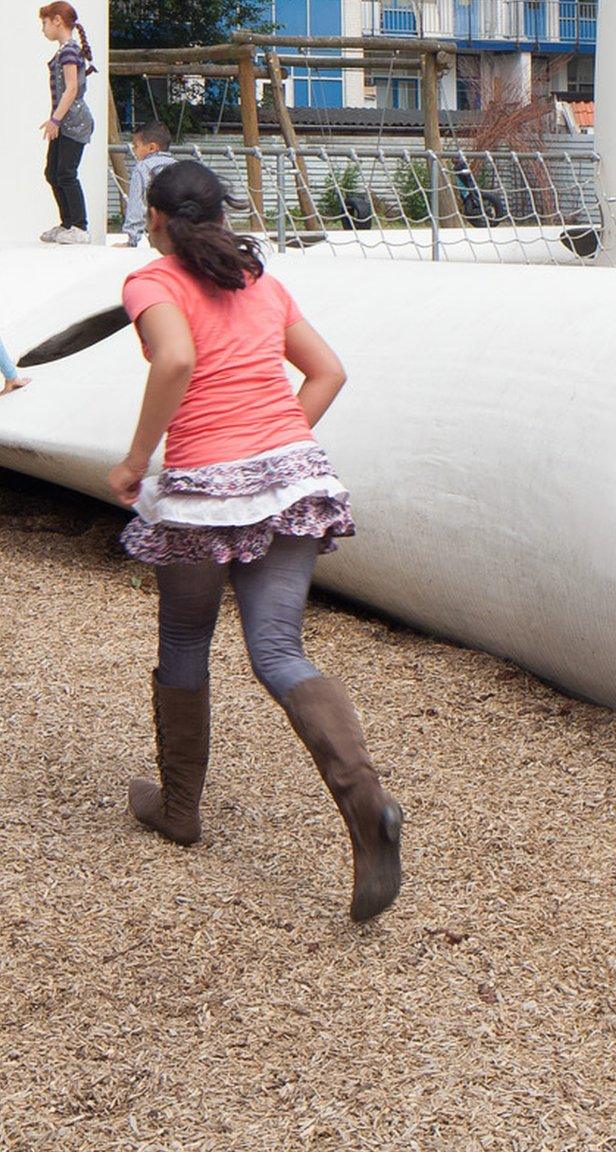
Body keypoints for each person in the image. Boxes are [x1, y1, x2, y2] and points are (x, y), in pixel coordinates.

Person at [113, 160, 402, 922]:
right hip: (292, 477)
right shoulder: (261, 281)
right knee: (278, 649)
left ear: (158, 218)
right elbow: (328, 373)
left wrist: (139, 459)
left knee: (185, 641)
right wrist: (275, 448)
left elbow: (175, 358)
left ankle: (180, 810)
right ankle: (364, 801)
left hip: (206, 487)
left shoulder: (153, 281)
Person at [38, 1, 96, 244]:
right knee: (53, 172)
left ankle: (80, 227)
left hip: (74, 122)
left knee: (66, 173)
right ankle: (67, 224)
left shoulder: (70, 51)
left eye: (45, 22)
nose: (43, 29)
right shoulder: (64, 50)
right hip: (64, 122)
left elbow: (71, 88)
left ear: (57, 20)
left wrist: (55, 119)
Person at [122, 122, 176, 248]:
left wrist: (132, 238)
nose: (134, 150)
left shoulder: (142, 168)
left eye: (136, 146)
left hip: (158, 225)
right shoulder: (177, 166)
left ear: (152, 148)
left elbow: (136, 203)